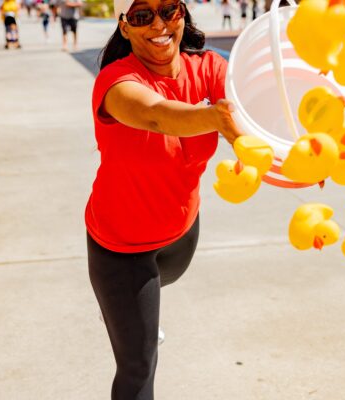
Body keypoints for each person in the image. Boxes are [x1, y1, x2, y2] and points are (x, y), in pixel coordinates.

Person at [86, 0, 243, 398]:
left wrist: (303, 159)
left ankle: (137, 315)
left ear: (182, 15)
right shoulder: (115, 81)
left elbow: (260, 105)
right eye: (142, 16)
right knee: (139, 364)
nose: (159, 24)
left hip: (182, 234)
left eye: (169, 10)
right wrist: (213, 117)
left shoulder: (207, 68)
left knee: (149, 305)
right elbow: (156, 114)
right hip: (122, 249)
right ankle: (134, 319)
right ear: (124, 27)